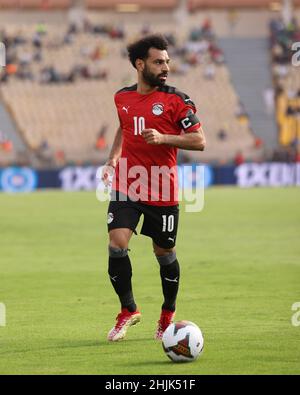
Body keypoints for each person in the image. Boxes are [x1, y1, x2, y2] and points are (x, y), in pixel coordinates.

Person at [101, 34, 206, 342]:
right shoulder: (122, 97)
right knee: (116, 243)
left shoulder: (177, 100)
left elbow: (200, 140)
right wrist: (112, 159)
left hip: (163, 188)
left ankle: (167, 314)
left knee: (164, 252)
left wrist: (164, 138)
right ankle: (128, 310)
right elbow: (124, 125)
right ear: (140, 64)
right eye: (159, 62)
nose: (166, 67)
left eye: (167, 62)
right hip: (127, 183)